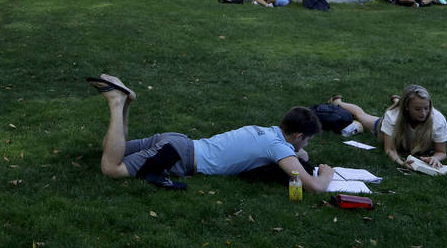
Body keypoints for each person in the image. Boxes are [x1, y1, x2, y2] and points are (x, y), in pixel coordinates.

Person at [87, 74, 332, 192]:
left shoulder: (269, 133)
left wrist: (301, 156)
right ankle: (117, 102)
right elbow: (314, 187)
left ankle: (127, 101)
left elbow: (298, 156)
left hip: (177, 142)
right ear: (298, 136)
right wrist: (326, 175)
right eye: (308, 139)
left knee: (110, 151)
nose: (307, 144)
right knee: (111, 168)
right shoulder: (279, 148)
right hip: (179, 156)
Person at [329, 85, 447, 168]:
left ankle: (397, 100)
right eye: (418, 109)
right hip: (383, 126)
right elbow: (390, 150)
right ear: (407, 107)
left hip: (404, 111)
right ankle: (338, 102)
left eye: (426, 108)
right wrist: (401, 163)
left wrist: (435, 158)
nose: (423, 113)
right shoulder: (393, 117)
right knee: (361, 116)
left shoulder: (438, 120)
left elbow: (441, 152)